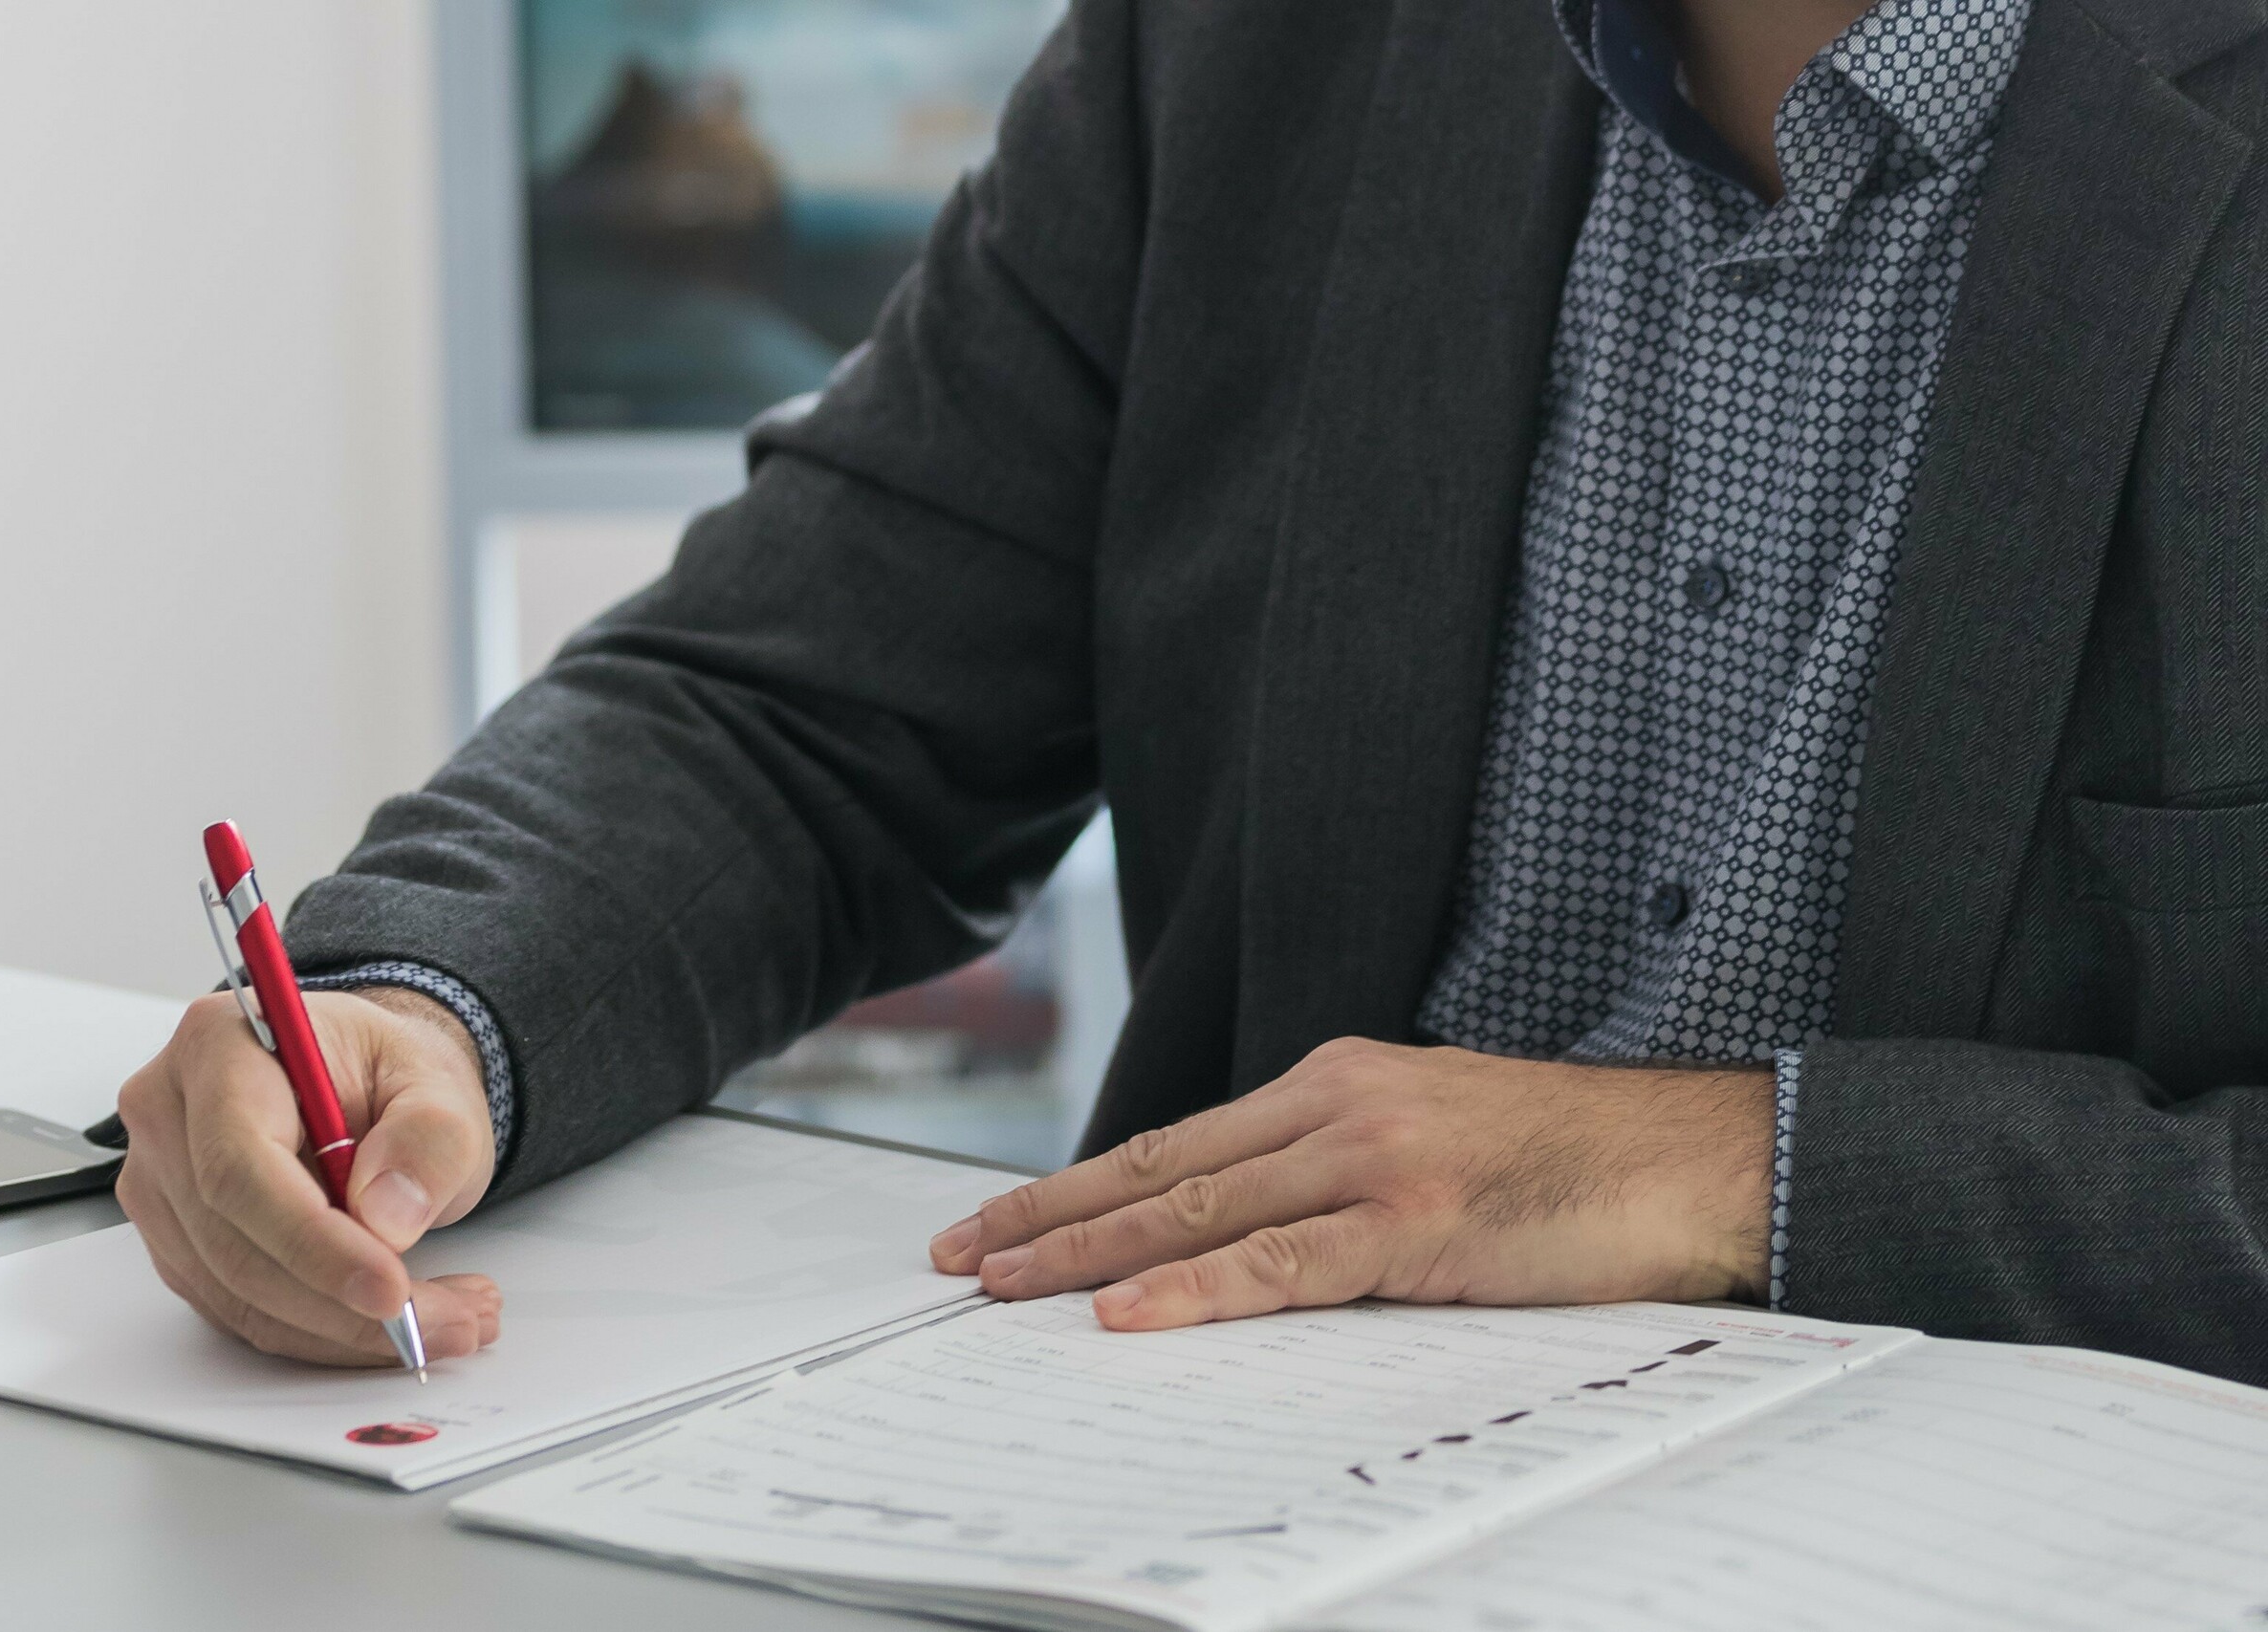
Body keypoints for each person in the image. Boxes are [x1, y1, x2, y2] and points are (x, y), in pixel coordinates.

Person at [113, 0, 2268, 1385]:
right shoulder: (1242, 43)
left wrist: (1753, 1167)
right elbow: (796, 706)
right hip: (1218, 1481)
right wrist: (430, 1006)